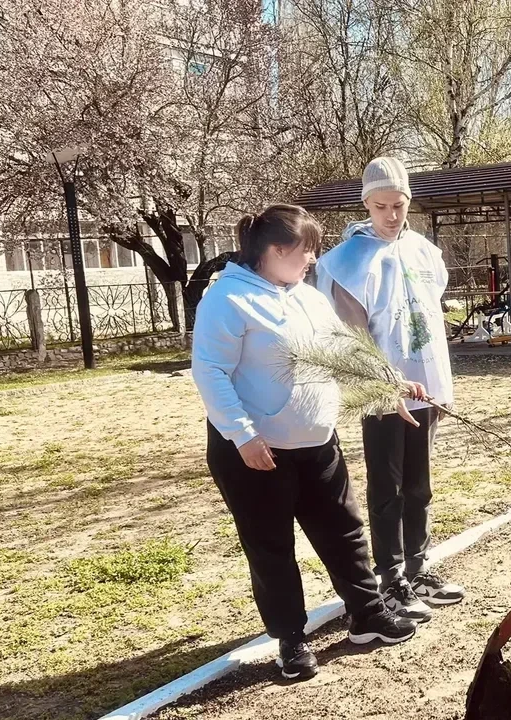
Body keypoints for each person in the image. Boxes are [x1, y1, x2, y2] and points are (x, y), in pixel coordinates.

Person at [191, 204, 417, 681]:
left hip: (317, 440)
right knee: (271, 545)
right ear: (275, 251)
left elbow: (342, 347)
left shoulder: (307, 297)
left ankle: (367, 614)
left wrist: (387, 385)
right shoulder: (228, 299)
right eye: (306, 250)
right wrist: (243, 436)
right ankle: (291, 640)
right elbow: (210, 370)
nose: (312, 259)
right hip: (257, 452)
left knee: (344, 530)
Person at [313, 157, 465, 624]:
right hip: (384, 394)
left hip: (428, 388)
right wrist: (383, 386)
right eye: (381, 207)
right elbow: (351, 339)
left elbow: (430, 317)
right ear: (366, 205)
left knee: (420, 484)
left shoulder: (423, 252)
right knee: (388, 487)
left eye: (399, 205)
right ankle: (391, 575)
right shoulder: (348, 263)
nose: (392, 216)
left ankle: (418, 567)